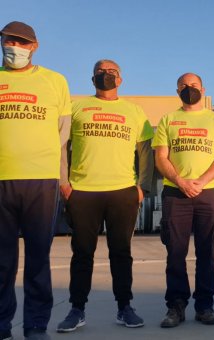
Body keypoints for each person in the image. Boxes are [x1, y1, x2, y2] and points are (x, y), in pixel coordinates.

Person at [56, 60, 154, 333]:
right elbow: (61, 146)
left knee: (121, 252)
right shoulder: (77, 108)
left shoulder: (134, 111)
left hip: (122, 192)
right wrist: (64, 183)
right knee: (82, 253)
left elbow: (146, 152)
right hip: (83, 192)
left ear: (120, 79)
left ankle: (125, 307)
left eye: (111, 72)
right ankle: (77, 309)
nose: (106, 75)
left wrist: (142, 187)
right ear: (92, 78)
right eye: (100, 72)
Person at [0, 21, 71, 340]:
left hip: (41, 181)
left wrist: (46, 162)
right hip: (1, 180)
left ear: (34, 46)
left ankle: (36, 324)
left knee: (38, 258)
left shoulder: (54, 81)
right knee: (2, 260)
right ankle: (2, 324)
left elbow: (63, 131)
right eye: (9, 40)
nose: (15, 46)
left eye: (22, 42)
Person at [153, 73, 214, 328]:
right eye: (184, 87)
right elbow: (161, 158)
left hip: (208, 193)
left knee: (206, 253)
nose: (190, 90)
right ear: (177, 90)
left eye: (194, 86)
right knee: (175, 254)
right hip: (176, 194)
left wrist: (200, 181)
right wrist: (181, 181)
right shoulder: (168, 119)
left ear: (203, 89)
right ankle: (176, 307)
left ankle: (205, 306)